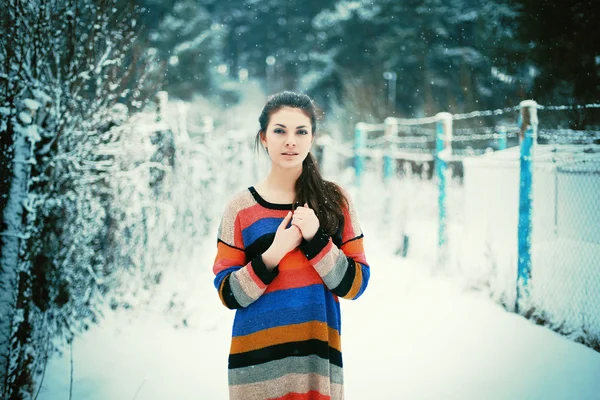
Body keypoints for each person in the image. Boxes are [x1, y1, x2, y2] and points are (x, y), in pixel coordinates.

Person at [212, 91, 371, 400]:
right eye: (280, 131)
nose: (290, 141)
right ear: (264, 137)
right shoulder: (240, 209)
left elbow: (356, 285)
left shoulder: (335, 202)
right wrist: (273, 253)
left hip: (316, 367)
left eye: (301, 131)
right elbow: (228, 294)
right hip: (257, 372)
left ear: (312, 138)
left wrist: (317, 240)